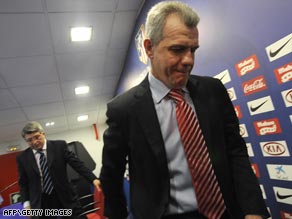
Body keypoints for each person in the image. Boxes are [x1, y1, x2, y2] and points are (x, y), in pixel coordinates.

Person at [99, 1, 270, 219]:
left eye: (193, 50)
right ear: (149, 48)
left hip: (226, 211)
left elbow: (235, 151)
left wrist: (253, 209)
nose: (189, 60)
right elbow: (111, 177)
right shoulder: (123, 110)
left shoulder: (213, 90)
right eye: (178, 49)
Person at [16, 121, 101, 219]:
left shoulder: (59, 146)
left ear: (43, 133)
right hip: (42, 201)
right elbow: (23, 183)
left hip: (65, 196)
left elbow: (77, 164)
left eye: (37, 137)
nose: (34, 142)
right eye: (29, 140)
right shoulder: (22, 158)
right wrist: (27, 204)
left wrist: (93, 179)